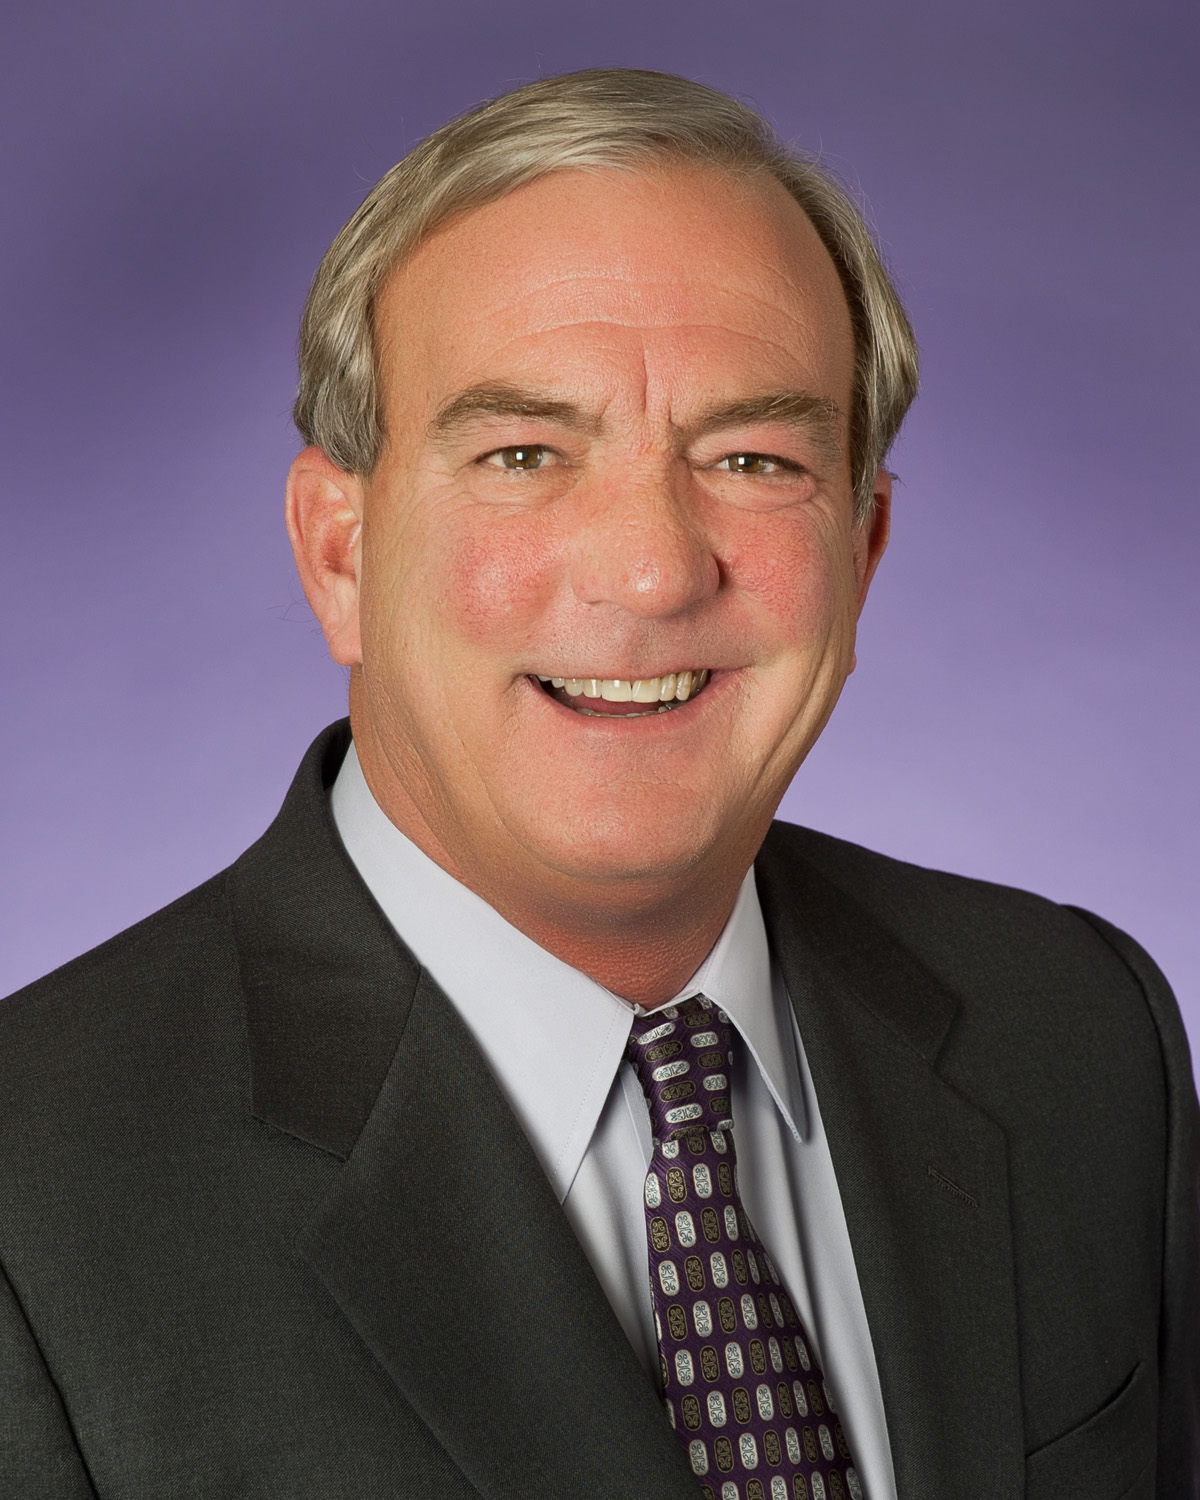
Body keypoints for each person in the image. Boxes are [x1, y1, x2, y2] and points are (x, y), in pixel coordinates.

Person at [0, 67, 1195, 1500]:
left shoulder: (1078, 1034)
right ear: (341, 556)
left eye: (753, 456)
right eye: (524, 453)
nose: (651, 568)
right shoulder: (34, 1196)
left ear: (863, 553)